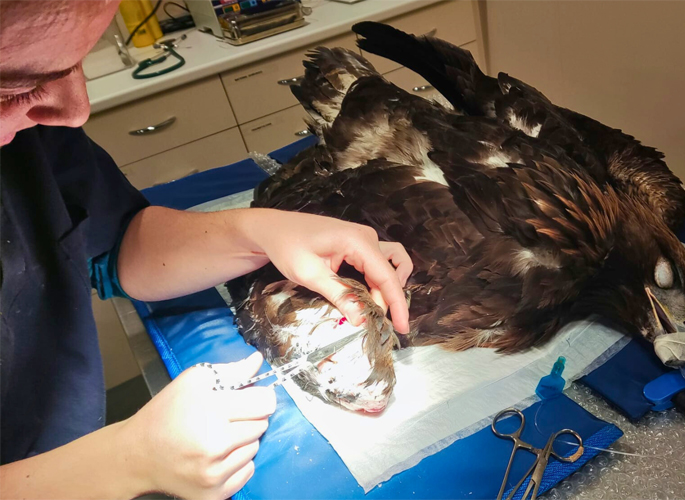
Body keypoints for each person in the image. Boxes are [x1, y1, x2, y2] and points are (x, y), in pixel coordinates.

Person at [0, 1, 413, 498]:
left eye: (76, 63)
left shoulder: (32, 133)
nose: (76, 110)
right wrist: (119, 462)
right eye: (16, 87)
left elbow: (118, 245)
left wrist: (257, 234)